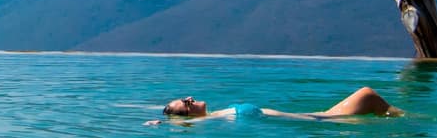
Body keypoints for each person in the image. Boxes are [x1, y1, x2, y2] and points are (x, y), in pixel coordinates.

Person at [146, 87, 402, 126]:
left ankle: (404, 121)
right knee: (367, 95)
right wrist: (160, 125)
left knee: (369, 97)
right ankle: (409, 122)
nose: (190, 99)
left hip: (316, 117)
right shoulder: (209, 121)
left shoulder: (216, 114)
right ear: (188, 115)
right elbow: (189, 125)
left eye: (187, 98)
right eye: (186, 104)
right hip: (316, 122)